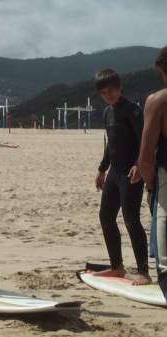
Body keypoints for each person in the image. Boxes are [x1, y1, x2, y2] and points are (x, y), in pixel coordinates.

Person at [93, 68, 151, 285]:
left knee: (131, 219)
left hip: (131, 173)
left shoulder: (132, 110)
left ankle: (143, 271)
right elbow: (111, 145)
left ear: (120, 88)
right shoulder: (107, 112)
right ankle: (117, 266)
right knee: (106, 217)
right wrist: (101, 169)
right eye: (103, 94)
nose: (108, 96)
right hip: (114, 173)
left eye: (111, 91)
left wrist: (139, 165)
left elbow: (144, 141)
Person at [138, 46, 167, 299]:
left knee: (165, 262)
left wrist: (150, 188)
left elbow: (145, 157)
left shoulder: (158, 101)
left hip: (166, 182)